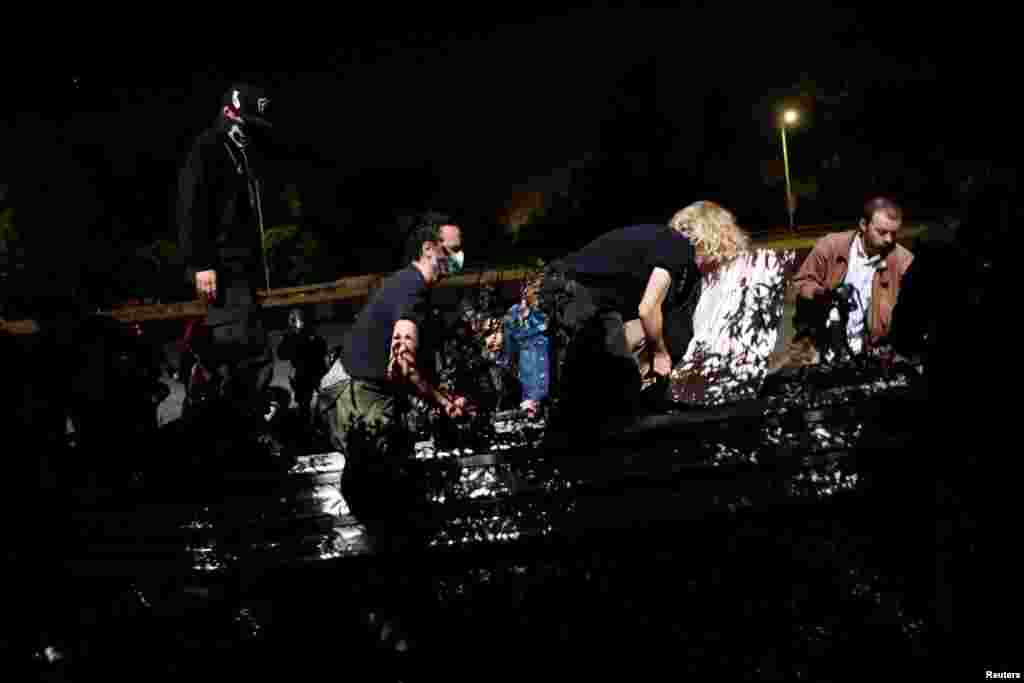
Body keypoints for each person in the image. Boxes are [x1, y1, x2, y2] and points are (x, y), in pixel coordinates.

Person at [541, 201, 749, 420]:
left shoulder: (659, 253)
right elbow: (648, 309)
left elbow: (638, 327)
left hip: (568, 290)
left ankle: (572, 419)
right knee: (615, 383)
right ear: (712, 237)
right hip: (572, 291)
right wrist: (659, 353)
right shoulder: (677, 246)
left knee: (599, 381)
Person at [176, 83, 276, 429]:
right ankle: (235, 432)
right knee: (245, 354)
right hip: (221, 270)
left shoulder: (238, 152)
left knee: (244, 353)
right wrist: (201, 262)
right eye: (247, 123)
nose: (250, 132)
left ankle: (234, 430)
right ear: (230, 113)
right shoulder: (208, 147)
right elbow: (192, 206)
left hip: (240, 271)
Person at [768, 196, 914, 370]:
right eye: (882, 232)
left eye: (894, 233)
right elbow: (801, 282)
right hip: (819, 347)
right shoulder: (831, 246)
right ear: (863, 225)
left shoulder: (903, 260)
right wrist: (823, 294)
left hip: (870, 354)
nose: (889, 239)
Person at [499, 273, 551, 417]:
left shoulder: (544, 312)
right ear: (524, 290)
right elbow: (509, 349)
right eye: (535, 291)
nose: (539, 295)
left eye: (540, 291)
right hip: (529, 373)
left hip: (547, 369)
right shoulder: (513, 314)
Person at [277, 308, 328, 425]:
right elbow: (282, 354)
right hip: (306, 374)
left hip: (309, 373)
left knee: (311, 403)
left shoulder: (308, 337)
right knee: (307, 403)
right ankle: (311, 423)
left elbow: (282, 354)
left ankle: (312, 423)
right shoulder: (305, 336)